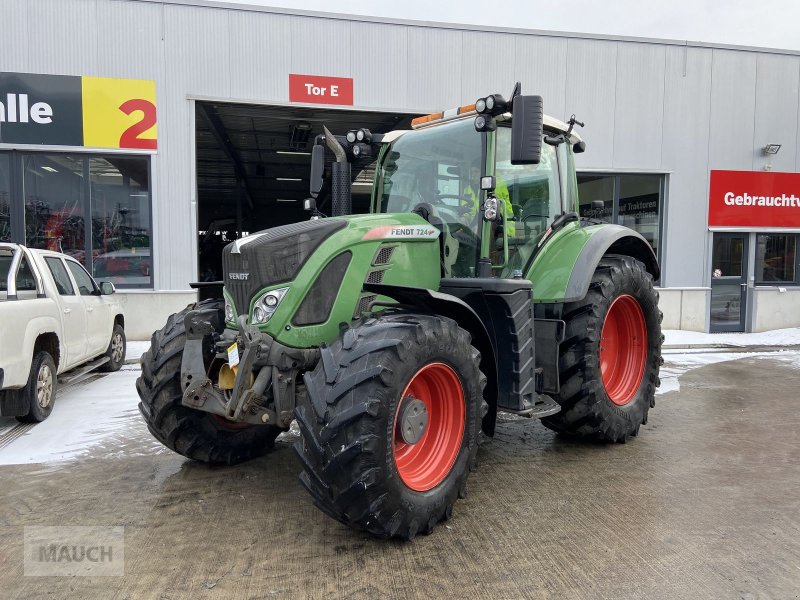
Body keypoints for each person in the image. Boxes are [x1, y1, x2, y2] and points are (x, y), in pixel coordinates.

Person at [463, 163, 515, 237]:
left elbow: (492, 211)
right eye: (472, 172)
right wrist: (465, 218)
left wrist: (479, 226)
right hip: (478, 228)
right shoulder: (468, 189)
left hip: (502, 227)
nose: (473, 175)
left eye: (476, 172)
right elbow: (466, 208)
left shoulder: (496, 184)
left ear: (484, 172)